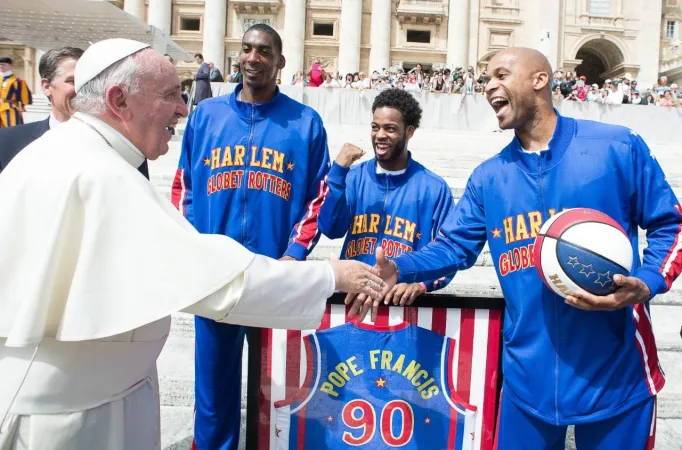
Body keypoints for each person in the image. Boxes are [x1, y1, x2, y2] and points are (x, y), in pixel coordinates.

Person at [0, 38, 384, 450]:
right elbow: (211, 280)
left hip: (83, 396)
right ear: (118, 100)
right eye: (169, 95)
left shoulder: (67, 155)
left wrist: (295, 255)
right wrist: (331, 275)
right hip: (72, 418)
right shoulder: (102, 176)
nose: (184, 108)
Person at [357, 48, 682, 448]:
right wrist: (402, 267)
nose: (488, 85)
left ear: (539, 80)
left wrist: (648, 281)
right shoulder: (488, 177)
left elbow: (672, 224)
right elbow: (453, 246)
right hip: (527, 383)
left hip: (619, 376)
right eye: (485, 79)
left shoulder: (616, 147)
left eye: (500, 75)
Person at [172, 24, 333, 450]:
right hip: (216, 274)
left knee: (276, 388)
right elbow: (184, 186)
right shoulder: (206, 116)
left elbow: (318, 195)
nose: (252, 57)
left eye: (264, 51)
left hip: (273, 275)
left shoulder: (305, 123)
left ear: (280, 62)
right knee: (212, 391)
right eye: (246, 49)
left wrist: (295, 253)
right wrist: (189, 245)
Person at [318, 88, 455, 305]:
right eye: (375, 127)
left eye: (390, 129)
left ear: (409, 132)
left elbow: (450, 250)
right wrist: (337, 174)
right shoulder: (354, 178)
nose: (380, 135)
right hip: (353, 301)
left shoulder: (434, 188)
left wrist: (422, 284)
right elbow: (330, 229)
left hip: (404, 307)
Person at [0, 47, 94, 174]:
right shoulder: (8, 141)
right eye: (73, 81)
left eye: (89, 82)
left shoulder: (116, 142)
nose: (83, 90)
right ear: (46, 86)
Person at [0, 57, 33, 128]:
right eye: (0, 64)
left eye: (3, 64)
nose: (1, 66)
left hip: (9, 109)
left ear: (11, 66)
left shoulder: (17, 81)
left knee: (11, 130)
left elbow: (24, 97)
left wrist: (22, 108)